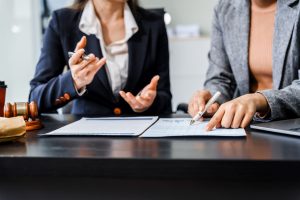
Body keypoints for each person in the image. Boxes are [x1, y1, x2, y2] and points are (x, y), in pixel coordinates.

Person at [29, 0, 172, 115]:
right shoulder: (61, 22)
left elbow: (164, 96)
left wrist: (150, 102)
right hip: (85, 144)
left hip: (141, 141)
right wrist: (73, 81)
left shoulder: (154, 24)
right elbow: (35, 99)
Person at [188, 0, 300, 130]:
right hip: (243, 128)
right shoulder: (224, 9)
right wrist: (212, 99)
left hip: (291, 128)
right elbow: (220, 77)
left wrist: (260, 100)